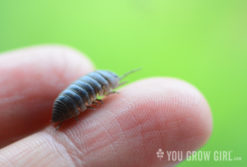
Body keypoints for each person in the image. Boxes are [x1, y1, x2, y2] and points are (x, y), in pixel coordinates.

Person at [0, 45, 212, 167]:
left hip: (66, 104)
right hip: (66, 105)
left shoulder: (97, 85)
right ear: (105, 86)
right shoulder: (97, 87)